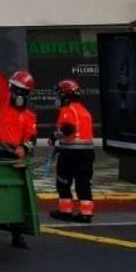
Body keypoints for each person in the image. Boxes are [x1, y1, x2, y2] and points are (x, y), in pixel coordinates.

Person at [0, 70, 39, 248]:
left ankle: (17, 235)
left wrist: (23, 148)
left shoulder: (28, 116)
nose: (17, 94)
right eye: (15, 89)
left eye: (22, 91)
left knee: (17, 198)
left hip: (14, 161)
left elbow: (31, 138)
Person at [50, 78, 97, 223]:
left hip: (71, 154)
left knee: (63, 182)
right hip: (87, 152)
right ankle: (86, 213)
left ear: (65, 95)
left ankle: (65, 211)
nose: (58, 98)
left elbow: (68, 129)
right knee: (83, 183)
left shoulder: (68, 110)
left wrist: (54, 137)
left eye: (59, 94)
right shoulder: (84, 110)